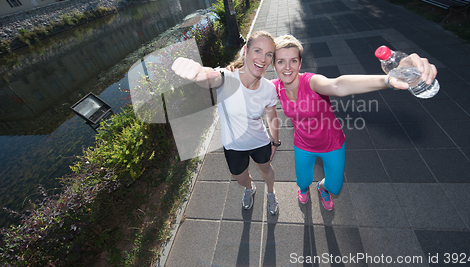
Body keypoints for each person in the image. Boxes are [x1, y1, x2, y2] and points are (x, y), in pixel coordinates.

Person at [271, 35, 438, 211]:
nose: (287, 67)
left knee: (334, 187)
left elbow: (337, 85)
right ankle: (303, 188)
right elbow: (250, 89)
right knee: (303, 181)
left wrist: (387, 80)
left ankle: (321, 188)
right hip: (303, 145)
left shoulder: (312, 82)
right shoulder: (274, 87)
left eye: (293, 61)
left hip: (332, 144)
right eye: (281, 61)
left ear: (300, 62)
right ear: (274, 64)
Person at [171, 31, 281, 215]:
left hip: (260, 141)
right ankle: (249, 188)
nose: (263, 59)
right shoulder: (227, 77)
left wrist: (275, 141)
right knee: (240, 178)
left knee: (266, 169)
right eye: (257, 51)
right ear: (246, 50)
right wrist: (197, 72)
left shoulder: (269, 88)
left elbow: (271, 116)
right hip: (233, 146)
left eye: (269, 54)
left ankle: (271, 193)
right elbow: (209, 76)